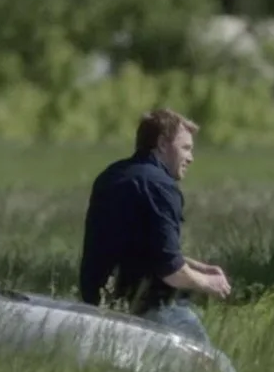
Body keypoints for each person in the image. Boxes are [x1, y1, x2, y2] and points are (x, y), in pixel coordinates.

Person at [79, 108, 234, 348]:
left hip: (99, 305)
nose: (191, 158)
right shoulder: (160, 186)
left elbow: (142, 250)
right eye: (186, 148)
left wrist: (199, 267)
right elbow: (171, 271)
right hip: (147, 309)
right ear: (162, 144)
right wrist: (208, 283)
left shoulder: (111, 176)